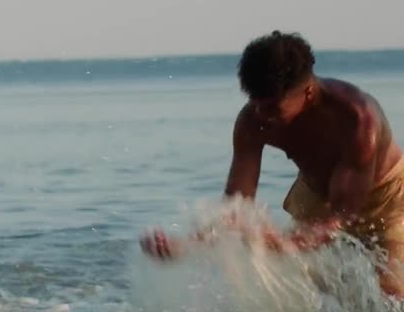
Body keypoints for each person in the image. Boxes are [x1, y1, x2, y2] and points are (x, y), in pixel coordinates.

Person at [141, 30, 404, 296]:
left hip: (387, 197)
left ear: (308, 93)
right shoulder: (252, 120)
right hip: (314, 192)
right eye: (256, 104)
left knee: (392, 296)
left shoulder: (357, 120)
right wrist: (187, 246)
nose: (261, 116)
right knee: (303, 286)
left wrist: (284, 242)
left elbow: (342, 217)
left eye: (273, 109)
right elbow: (236, 206)